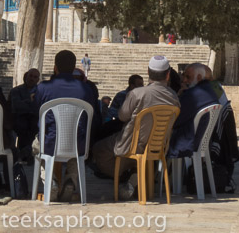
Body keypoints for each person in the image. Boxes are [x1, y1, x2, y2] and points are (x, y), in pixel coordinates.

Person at [91, 55, 179, 199]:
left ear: (148, 72)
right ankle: (135, 173)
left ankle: (128, 176)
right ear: (168, 75)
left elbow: (122, 116)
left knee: (98, 149)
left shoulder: (137, 93)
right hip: (158, 146)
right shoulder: (174, 97)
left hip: (131, 143)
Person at [34, 49, 97, 202]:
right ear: (74, 67)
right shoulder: (86, 90)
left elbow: (36, 111)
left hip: (50, 142)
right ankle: (71, 179)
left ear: (55, 67)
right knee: (75, 149)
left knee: (36, 146)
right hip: (78, 144)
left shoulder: (43, 88)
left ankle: (52, 181)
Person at [167, 62, 219, 159]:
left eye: (188, 77)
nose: (184, 80)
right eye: (184, 76)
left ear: (199, 77)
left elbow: (175, 120)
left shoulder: (192, 95)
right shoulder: (210, 90)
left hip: (188, 143)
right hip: (201, 142)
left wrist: (180, 96)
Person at [9, 68, 40, 162]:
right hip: (19, 119)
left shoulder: (40, 91)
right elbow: (16, 105)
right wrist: (30, 101)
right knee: (22, 125)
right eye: (30, 76)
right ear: (26, 76)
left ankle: (26, 152)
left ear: (38, 79)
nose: (32, 79)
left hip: (34, 119)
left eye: (35, 77)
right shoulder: (16, 91)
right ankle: (25, 152)